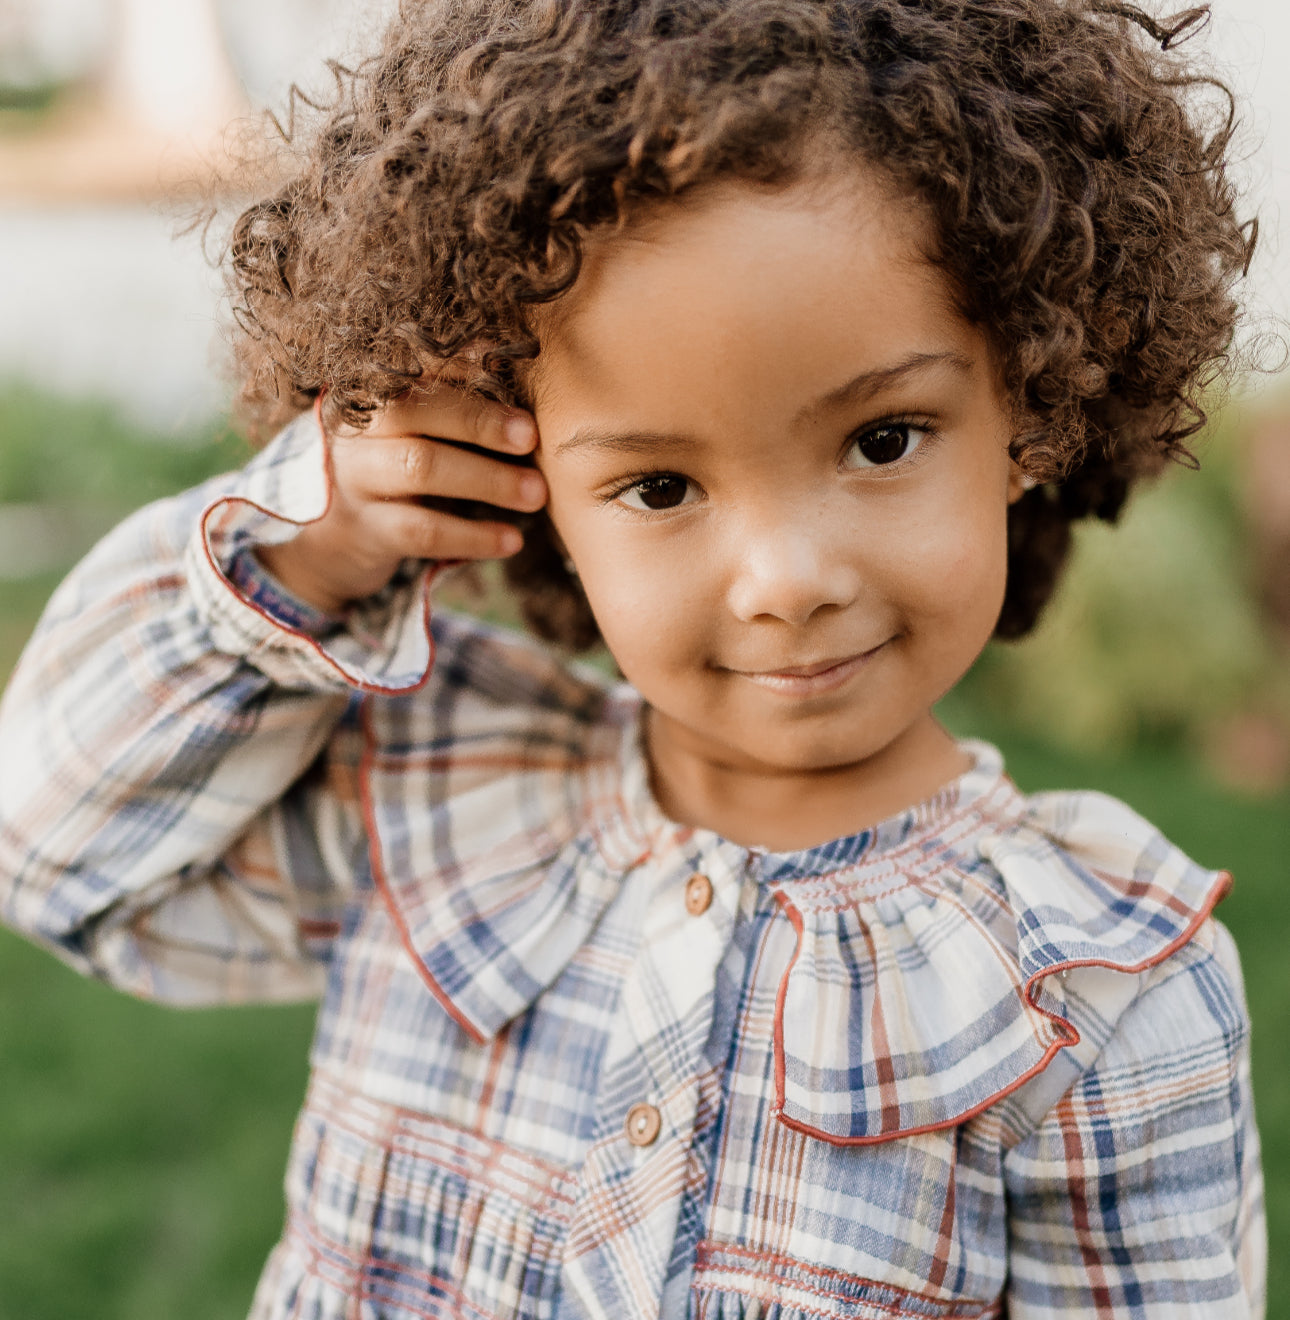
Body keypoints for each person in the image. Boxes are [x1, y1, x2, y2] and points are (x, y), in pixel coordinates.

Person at [0, 0, 1266, 1315]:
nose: (785, 583)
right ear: (519, 474)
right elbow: (53, 852)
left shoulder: (1100, 994)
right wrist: (312, 542)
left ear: (1030, 407)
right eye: (658, 484)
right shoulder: (430, 790)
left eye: (883, 439)